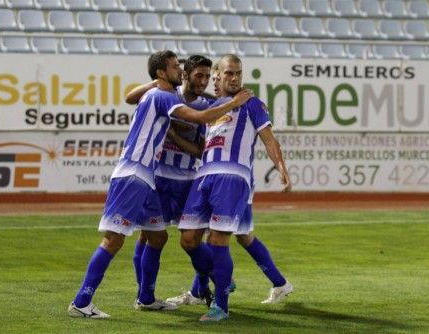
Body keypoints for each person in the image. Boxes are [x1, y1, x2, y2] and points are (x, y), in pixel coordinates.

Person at [67, 50, 251, 319]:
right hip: (133, 173)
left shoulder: (155, 94)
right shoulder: (163, 96)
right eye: (176, 67)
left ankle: (147, 298)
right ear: (162, 73)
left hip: (147, 177)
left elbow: (133, 97)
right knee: (113, 239)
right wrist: (236, 102)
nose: (180, 70)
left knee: (158, 235)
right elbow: (201, 118)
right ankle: (82, 302)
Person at [175, 54, 292, 322]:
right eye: (229, 73)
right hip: (204, 176)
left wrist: (282, 168)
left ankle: (221, 305)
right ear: (218, 74)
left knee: (219, 240)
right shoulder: (213, 108)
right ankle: (220, 279)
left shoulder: (251, 103)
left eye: (238, 73)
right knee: (188, 239)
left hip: (232, 176)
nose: (234, 78)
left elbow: (269, 140)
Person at [124, 55, 215, 305]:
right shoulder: (165, 94)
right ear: (184, 74)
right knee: (148, 237)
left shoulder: (207, 106)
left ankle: (203, 289)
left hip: (188, 181)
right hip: (159, 179)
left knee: (193, 240)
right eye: (199, 75)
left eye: (207, 76)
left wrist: (173, 135)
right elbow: (130, 97)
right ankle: (144, 294)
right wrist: (154, 83)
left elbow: (199, 151)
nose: (204, 81)